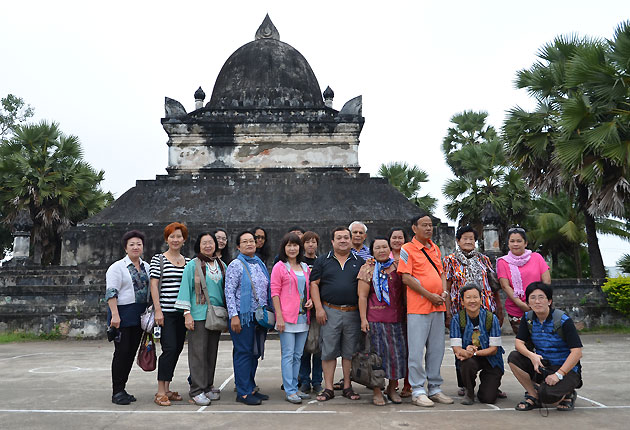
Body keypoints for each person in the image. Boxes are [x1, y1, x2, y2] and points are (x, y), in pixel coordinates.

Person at [397, 213, 454, 407]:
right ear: (414, 228)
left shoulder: (435, 248)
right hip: (418, 308)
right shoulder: (407, 249)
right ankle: (418, 390)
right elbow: (406, 277)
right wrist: (429, 295)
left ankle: (435, 388)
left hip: (438, 306)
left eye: (430, 225)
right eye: (424, 225)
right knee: (416, 351)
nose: (429, 228)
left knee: (437, 350)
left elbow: (442, 273)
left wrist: (444, 292)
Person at [443, 225, 505, 397]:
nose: (469, 241)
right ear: (458, 240)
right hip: (460, 312)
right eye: (465, 238)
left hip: (486, 310)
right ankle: (464, 383)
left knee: (492, 346)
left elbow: (493, 285)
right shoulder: (449, 260)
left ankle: (493, 381)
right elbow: (446, 287)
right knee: (462, 346)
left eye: (472, 238)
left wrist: (499, 307)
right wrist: (447, 312)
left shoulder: (484, 259)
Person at [508, 282, 583, 411]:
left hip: (565, 369)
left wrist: (558, 375)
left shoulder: (562, 320)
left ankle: (568, 392)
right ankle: (533, 395)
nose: (537, 301)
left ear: (549, 301)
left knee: (548, 397)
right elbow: (518, 343)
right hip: (543, 365)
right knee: (514, 357)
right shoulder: (528, 318)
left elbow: (577, 352)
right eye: (533, 298)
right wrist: (532, 356)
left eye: (541, 297)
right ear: (528, 303)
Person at [310, 227, 365, 402]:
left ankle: (347, 386)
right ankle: (328, 387)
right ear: (332, 242)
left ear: (351, 241)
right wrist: (318, 308)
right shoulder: (322, 261)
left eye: (346, 237)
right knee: (328, 351)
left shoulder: (360, 261)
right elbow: (314, 284)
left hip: (353, 313)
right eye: (339, 238)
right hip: (329, 311)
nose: (343, 240)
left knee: (349, 352)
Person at [175, 232, 227, 406]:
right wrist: (186, 314)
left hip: (216, 315)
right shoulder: (192, 265)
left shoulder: (221, 265)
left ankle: (208, 386)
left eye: (210, 242)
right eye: (204, 243)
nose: (208, 246)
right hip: (197, 316)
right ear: (199, 245)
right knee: (198, 354)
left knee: (211, 353)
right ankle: (196, 390)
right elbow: (185, 289)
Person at [358, 237, 407, 406]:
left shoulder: (398, 267)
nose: (382, 250)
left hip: (396, 320)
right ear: (372, 251)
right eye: (377, 248)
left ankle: (392, 389)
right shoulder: (367, 268)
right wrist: (363, 319)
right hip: (375, 320)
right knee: (376, 358)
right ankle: (377, 391)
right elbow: (362, 296)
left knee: (397, 357)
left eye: (384, 247)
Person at [225, 231, 271, 406]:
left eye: (252, 241)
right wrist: (234, 316)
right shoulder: (236, 265)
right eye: (245, 242)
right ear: (238, 246)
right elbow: (229, 292)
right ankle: (243, 392)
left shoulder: (259, 263)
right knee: (243, 352)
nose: (250, 244)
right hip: (242, 317)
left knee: (254, 353)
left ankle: (251, 387)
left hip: (259, 317)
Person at [105, 230, 151, 405]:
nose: (135, 247)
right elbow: (111, 292)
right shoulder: (117, 267)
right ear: (125, 248)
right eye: (132, 244)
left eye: (139, 244)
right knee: (121, 353)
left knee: (131, 353)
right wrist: (115, 315)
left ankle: (122, 388)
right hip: (122, 315)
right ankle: (116, 391)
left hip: (139, 316)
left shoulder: (146, 267)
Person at [150, 222, 190, 407]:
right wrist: (158, 310)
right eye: (172, 236)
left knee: (177, 349)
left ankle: (167, 388)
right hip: (165, 313)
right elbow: (154, 286)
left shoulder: (188, 262)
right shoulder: (158, 259)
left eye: (178, 236)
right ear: (167, 239)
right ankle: (160, 391)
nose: (175, 239)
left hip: (182, 314)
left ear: (184, 239)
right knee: (169, 349)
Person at [271, 233, 313, 404]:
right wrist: (279, 316)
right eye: (289, 245)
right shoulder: (280, 267)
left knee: (298, 355)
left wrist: (310, 300)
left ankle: (295, 387)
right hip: (287, 318)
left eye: (295, 245)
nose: (292, 248)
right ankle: (289, 390)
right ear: (284, 248)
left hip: (303, 317)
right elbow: (274, 292)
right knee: (288, 355)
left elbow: (308, 289)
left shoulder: (305, 267)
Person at [449, 283, 504, 405]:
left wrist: (473, 352)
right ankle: (469, 391)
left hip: (491, 359)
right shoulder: (457, 319)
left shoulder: (491, 318)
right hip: (470, 359)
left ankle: (492, 386)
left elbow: (494, 349)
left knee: (488, 398)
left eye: (475, 297)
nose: (472, 301)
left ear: (481, 299)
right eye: (468, 298)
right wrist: (465, 352)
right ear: (462, 302)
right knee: (466, 363)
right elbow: (456, 348)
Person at [497, 227, 551, 335]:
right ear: (508, 244)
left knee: (544, 338)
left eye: (519, 241)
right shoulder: (502, 262)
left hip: (539, 305)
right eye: (512, 241)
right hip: (516, 309)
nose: (515, 244)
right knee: (524, 341)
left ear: (525, 243)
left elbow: (547, 281)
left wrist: (538, 301)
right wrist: (521, 304)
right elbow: (505, 286)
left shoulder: (537, 257)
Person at [298, 231, 323, 394]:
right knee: (304, 349)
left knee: (320, 349)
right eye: (307, 242)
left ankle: (317, 381)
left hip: (319, 310)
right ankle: (304, 380)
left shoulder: (321, 262)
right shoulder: (297, 263)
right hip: (301, 311)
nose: (310, 245)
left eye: (313, 242)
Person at [388, 227, 412, 398]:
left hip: (410, 306)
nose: (397, 240)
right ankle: (393, 382)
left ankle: (408, 384)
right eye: (394, 237)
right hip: (390, 308)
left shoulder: (410, 256)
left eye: (400, 237)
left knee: (411, 348)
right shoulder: (383, 258)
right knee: (393, 348)